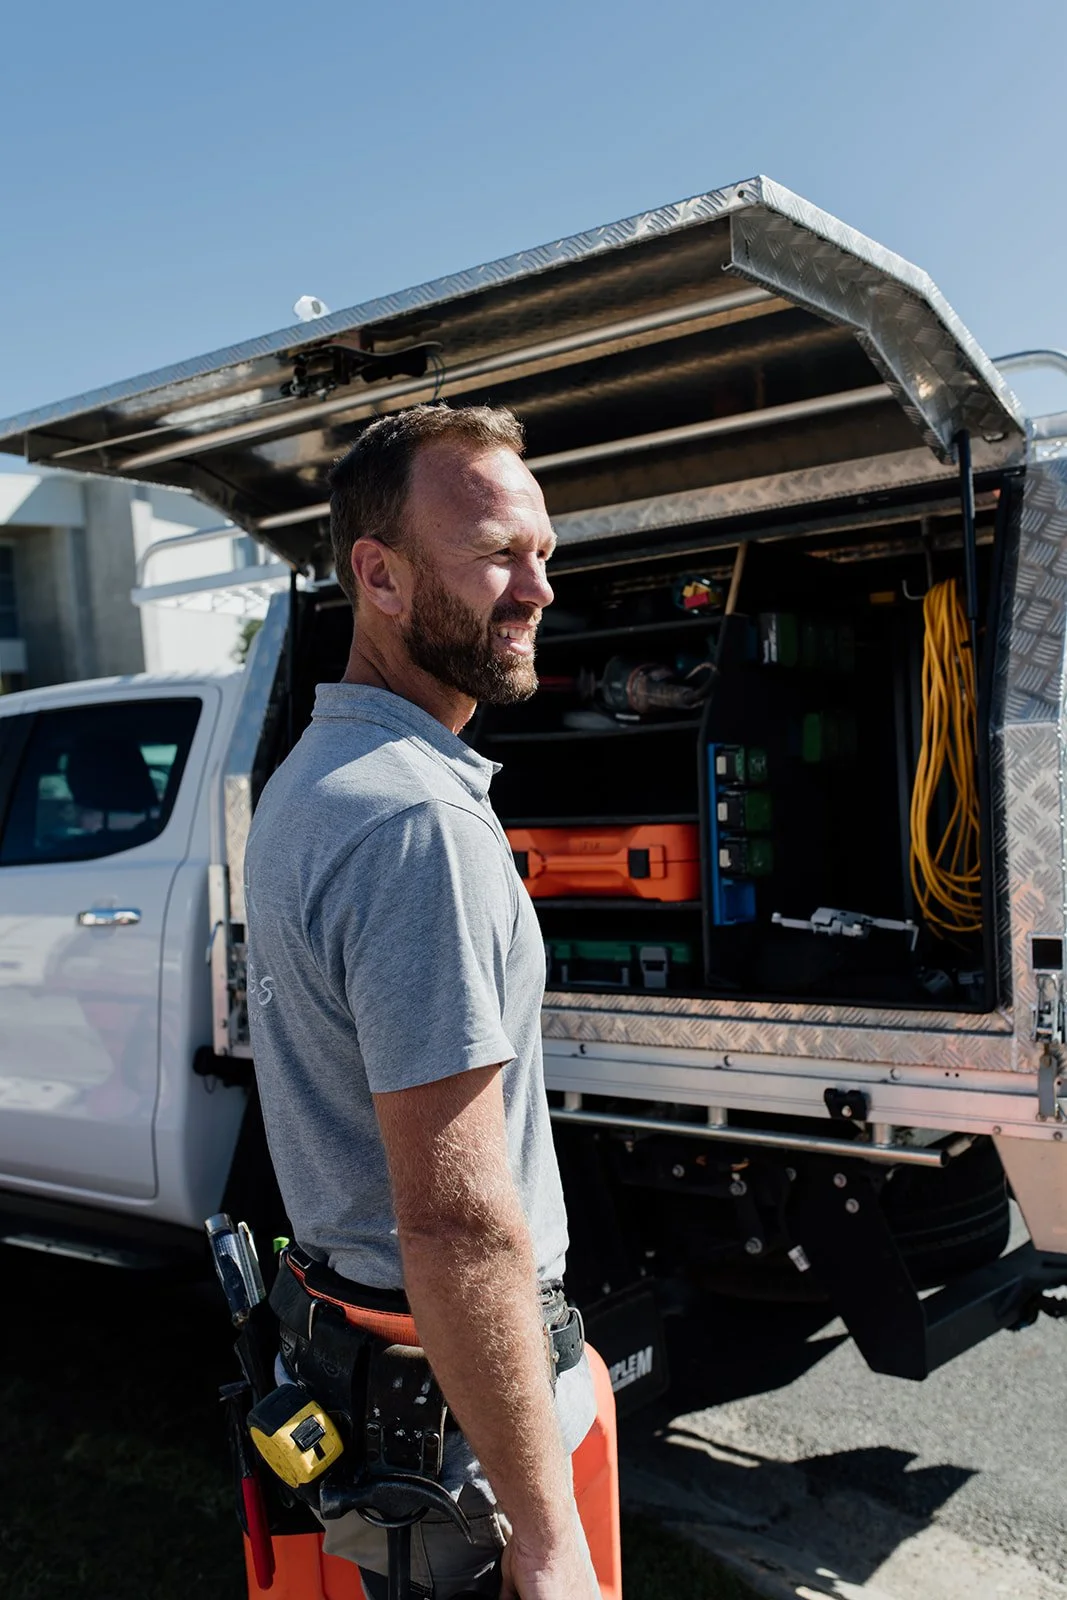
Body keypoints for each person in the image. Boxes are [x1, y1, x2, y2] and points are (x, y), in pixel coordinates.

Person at [244, 403, 600, 1600]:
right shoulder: (413, 822)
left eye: (542, 551)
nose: (536, 587)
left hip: (387, 1395)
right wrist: (547, 1540)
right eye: (498, 552)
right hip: (453, 1433)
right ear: (379, 576)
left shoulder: (314, 776)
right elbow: (453, 1225)